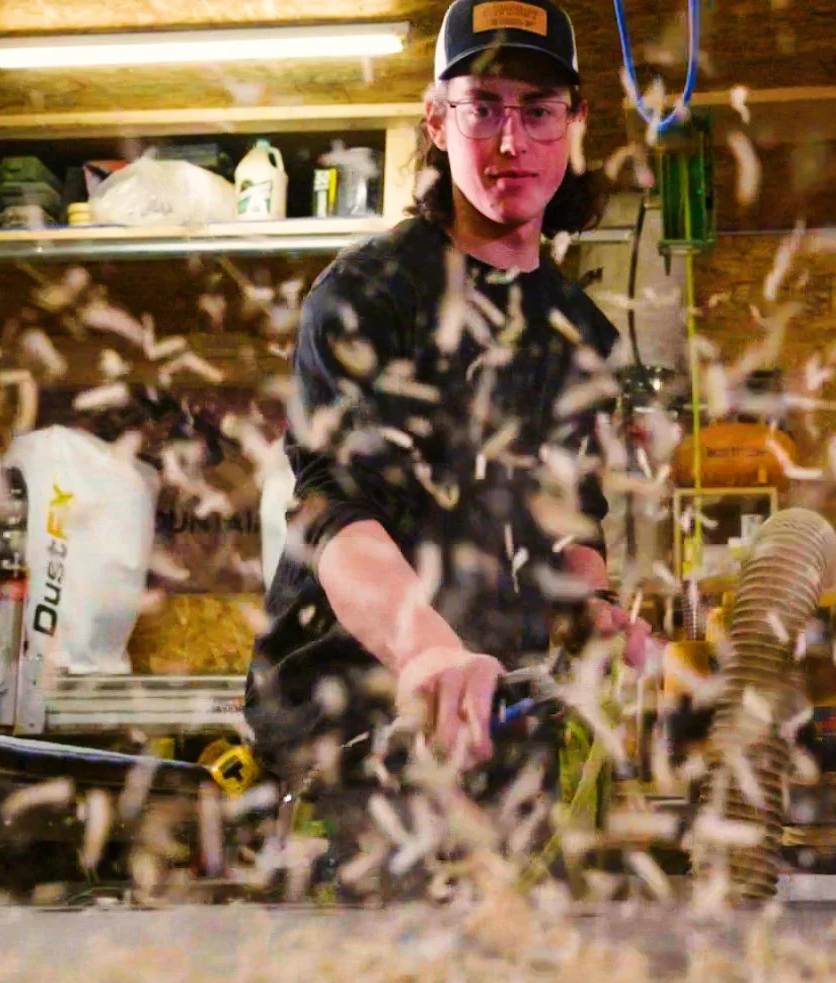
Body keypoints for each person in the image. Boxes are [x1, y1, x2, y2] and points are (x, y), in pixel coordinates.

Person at [248, 0, 654, 788]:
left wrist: (594, 613)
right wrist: (426, 646)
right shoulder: (368, 296)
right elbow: (334, 514)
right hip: (351, 724)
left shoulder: (582, 333)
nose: (512, 141)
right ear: (437, 122)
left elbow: (571, 518)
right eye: (483, 109)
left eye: (539, 112)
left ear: (574, 123)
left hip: (501, 720)